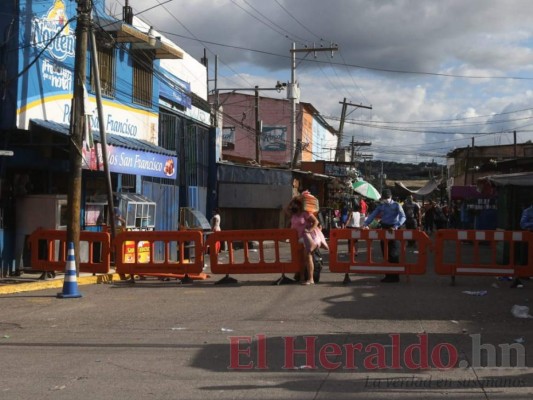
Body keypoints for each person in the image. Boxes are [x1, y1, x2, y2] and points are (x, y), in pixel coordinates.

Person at [362, 189, 406, 283]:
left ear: (390, 197)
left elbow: (403, 217)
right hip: (384, 229)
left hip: (394, 230)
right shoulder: (381, 206)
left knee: (394, 254)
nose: (385, 199)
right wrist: (365, 224)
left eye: (387, 198)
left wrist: (396, 226)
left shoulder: (396, 205)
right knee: (385, 253)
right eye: (384, 198)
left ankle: (395, 276)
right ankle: (388, 275)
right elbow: (373, 215)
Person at [287, 197, 320, 285]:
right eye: (293, 205)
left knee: (308, 258)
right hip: (297, 240)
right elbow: (286, 208)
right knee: (300, 259)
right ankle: (302, 278)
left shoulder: (305, 213)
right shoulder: (293, 215)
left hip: (306, 238)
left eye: (295, 204)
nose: (293, 206)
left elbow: (316, 222)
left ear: (299, 205)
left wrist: (310, 230)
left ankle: (311, 279)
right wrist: (293, 200)